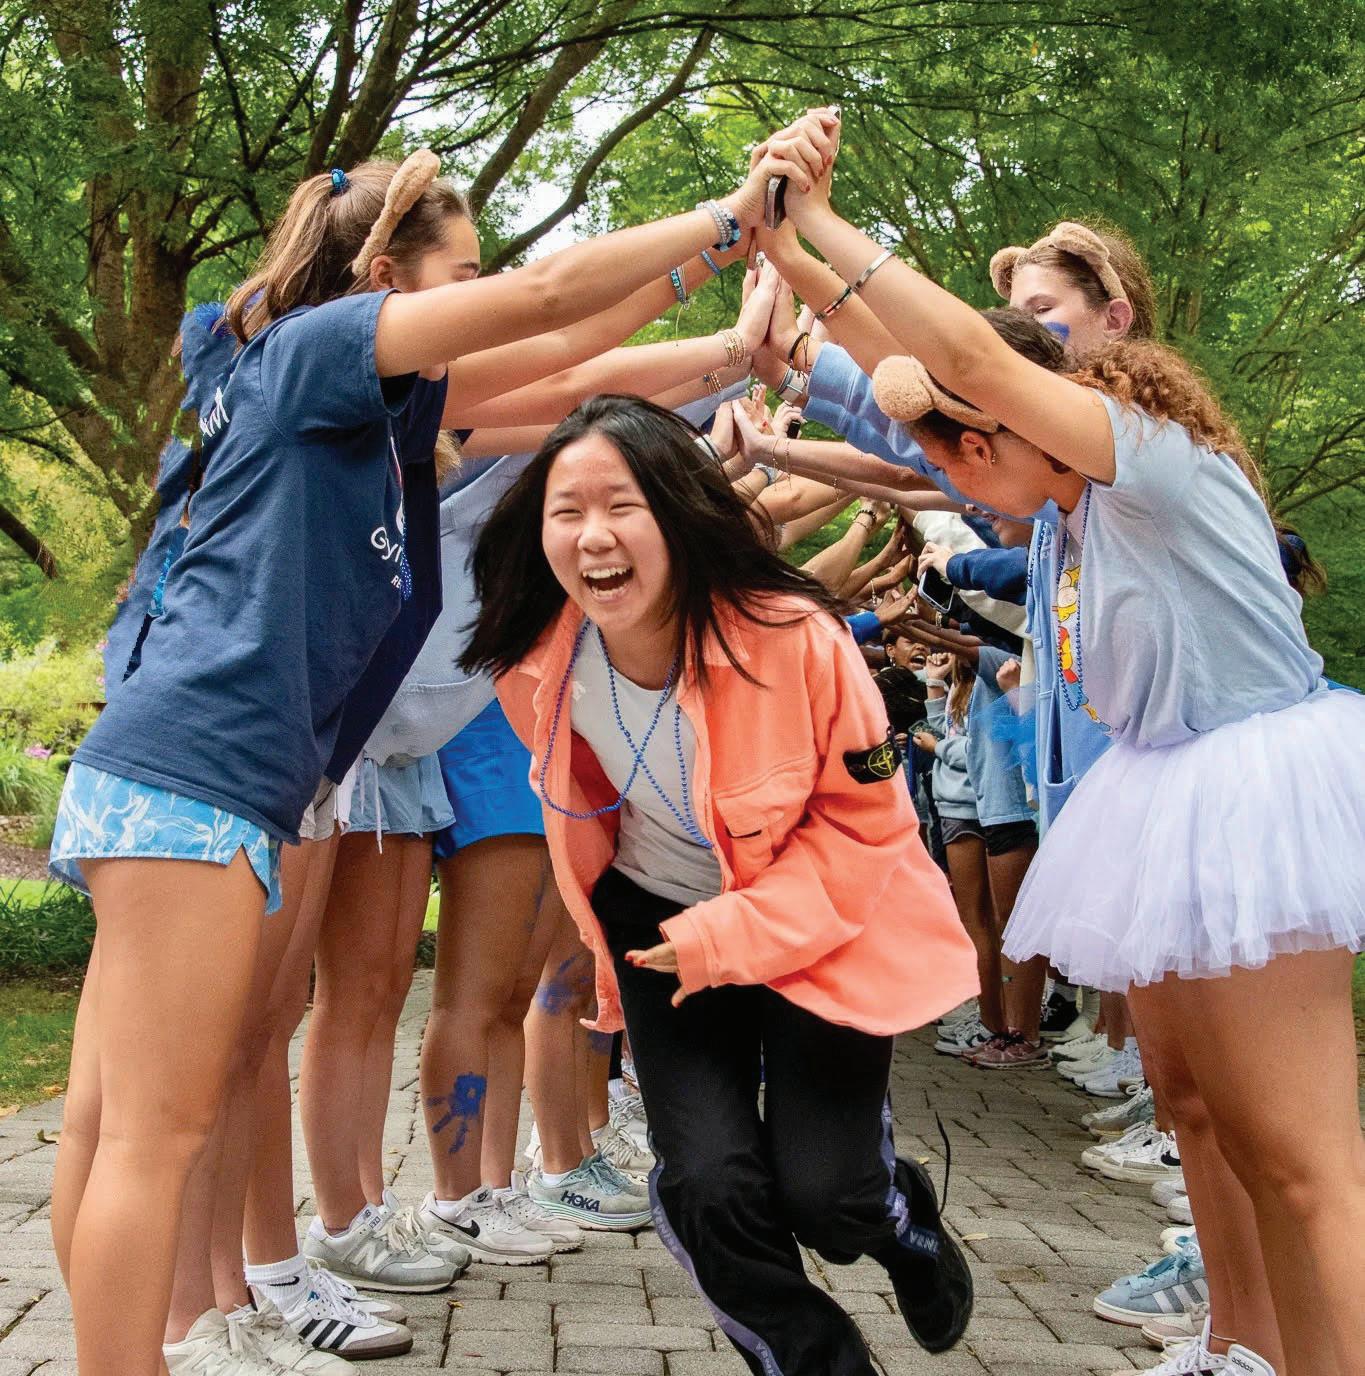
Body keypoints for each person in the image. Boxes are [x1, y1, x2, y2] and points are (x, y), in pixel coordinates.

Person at [45, 127, 823, 1376]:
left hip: (181, 775)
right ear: (382, 284)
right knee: (152, 1134)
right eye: (461, 276)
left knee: (108, 1128)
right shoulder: (313, 351)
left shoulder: (364, 403)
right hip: (197, 776)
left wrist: (729, 333)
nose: (479, 293)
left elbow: (574, 363)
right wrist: (727, 220)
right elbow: (548, 299)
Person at [777, 109, 1365, 1375]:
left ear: (1017, 420)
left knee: (1304, 1161)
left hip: (1255, 784)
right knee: (1198, 1108)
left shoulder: (1143, 456)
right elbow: (919, 382)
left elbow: (962, 361)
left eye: (968, 448)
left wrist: (821, 217)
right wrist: (784, 255)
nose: (957, 472)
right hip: (1166, 790)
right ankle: (1240, 1344)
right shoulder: (1076, 498)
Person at [459, 390, 979, 1375]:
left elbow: (868, 825)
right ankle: (815, 1360)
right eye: (567, 512)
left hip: (822, 924)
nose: (593, 536)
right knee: (710, 1186)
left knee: (827, 1195)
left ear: (679, 513)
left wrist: (729, 933)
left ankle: (897, 1215)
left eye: (622, 506)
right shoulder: (538, 653)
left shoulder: (797, 637)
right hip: (659, 925)